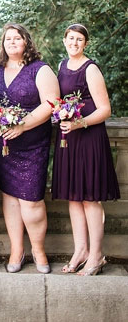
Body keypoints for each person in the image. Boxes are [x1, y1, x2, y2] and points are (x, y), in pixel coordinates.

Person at [0, 22, 59, 273]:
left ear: (27, 42)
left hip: (32, 144)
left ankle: (39, 252)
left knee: (31, 200)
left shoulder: (39, 70)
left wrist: (23, 126)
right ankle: (16, 251)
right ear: (3, 44)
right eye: (8, 39)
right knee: (10, 197)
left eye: (17, 38)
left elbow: (51, 103)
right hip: (4, 145)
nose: (12, 42)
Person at [52, 24, 120, 276]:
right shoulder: (60, 67)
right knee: (74, 197)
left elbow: (105, 109)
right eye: (71, 38)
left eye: (79, 39)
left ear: (85, 43)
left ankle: (96, 255)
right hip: (68, 140)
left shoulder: (90, 69)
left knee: (90, 198)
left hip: (89, 138)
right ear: (64, 40)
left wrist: (79, 122)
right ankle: (80, 250)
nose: (74, 43)